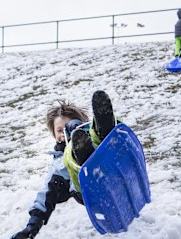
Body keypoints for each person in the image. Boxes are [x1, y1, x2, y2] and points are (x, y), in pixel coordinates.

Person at [12, 91, 120, 239]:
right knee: (68, 168)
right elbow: (45, 194)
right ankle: (81, 153)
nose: (64, 133)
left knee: (97, 139)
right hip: (88, 191)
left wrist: (78, 129)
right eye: (59, 130)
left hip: (110, 170)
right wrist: (33, 225)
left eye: (68, 128)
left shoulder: (91, 137)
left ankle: (104, 127)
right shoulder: (58, 164)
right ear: (54, 135)